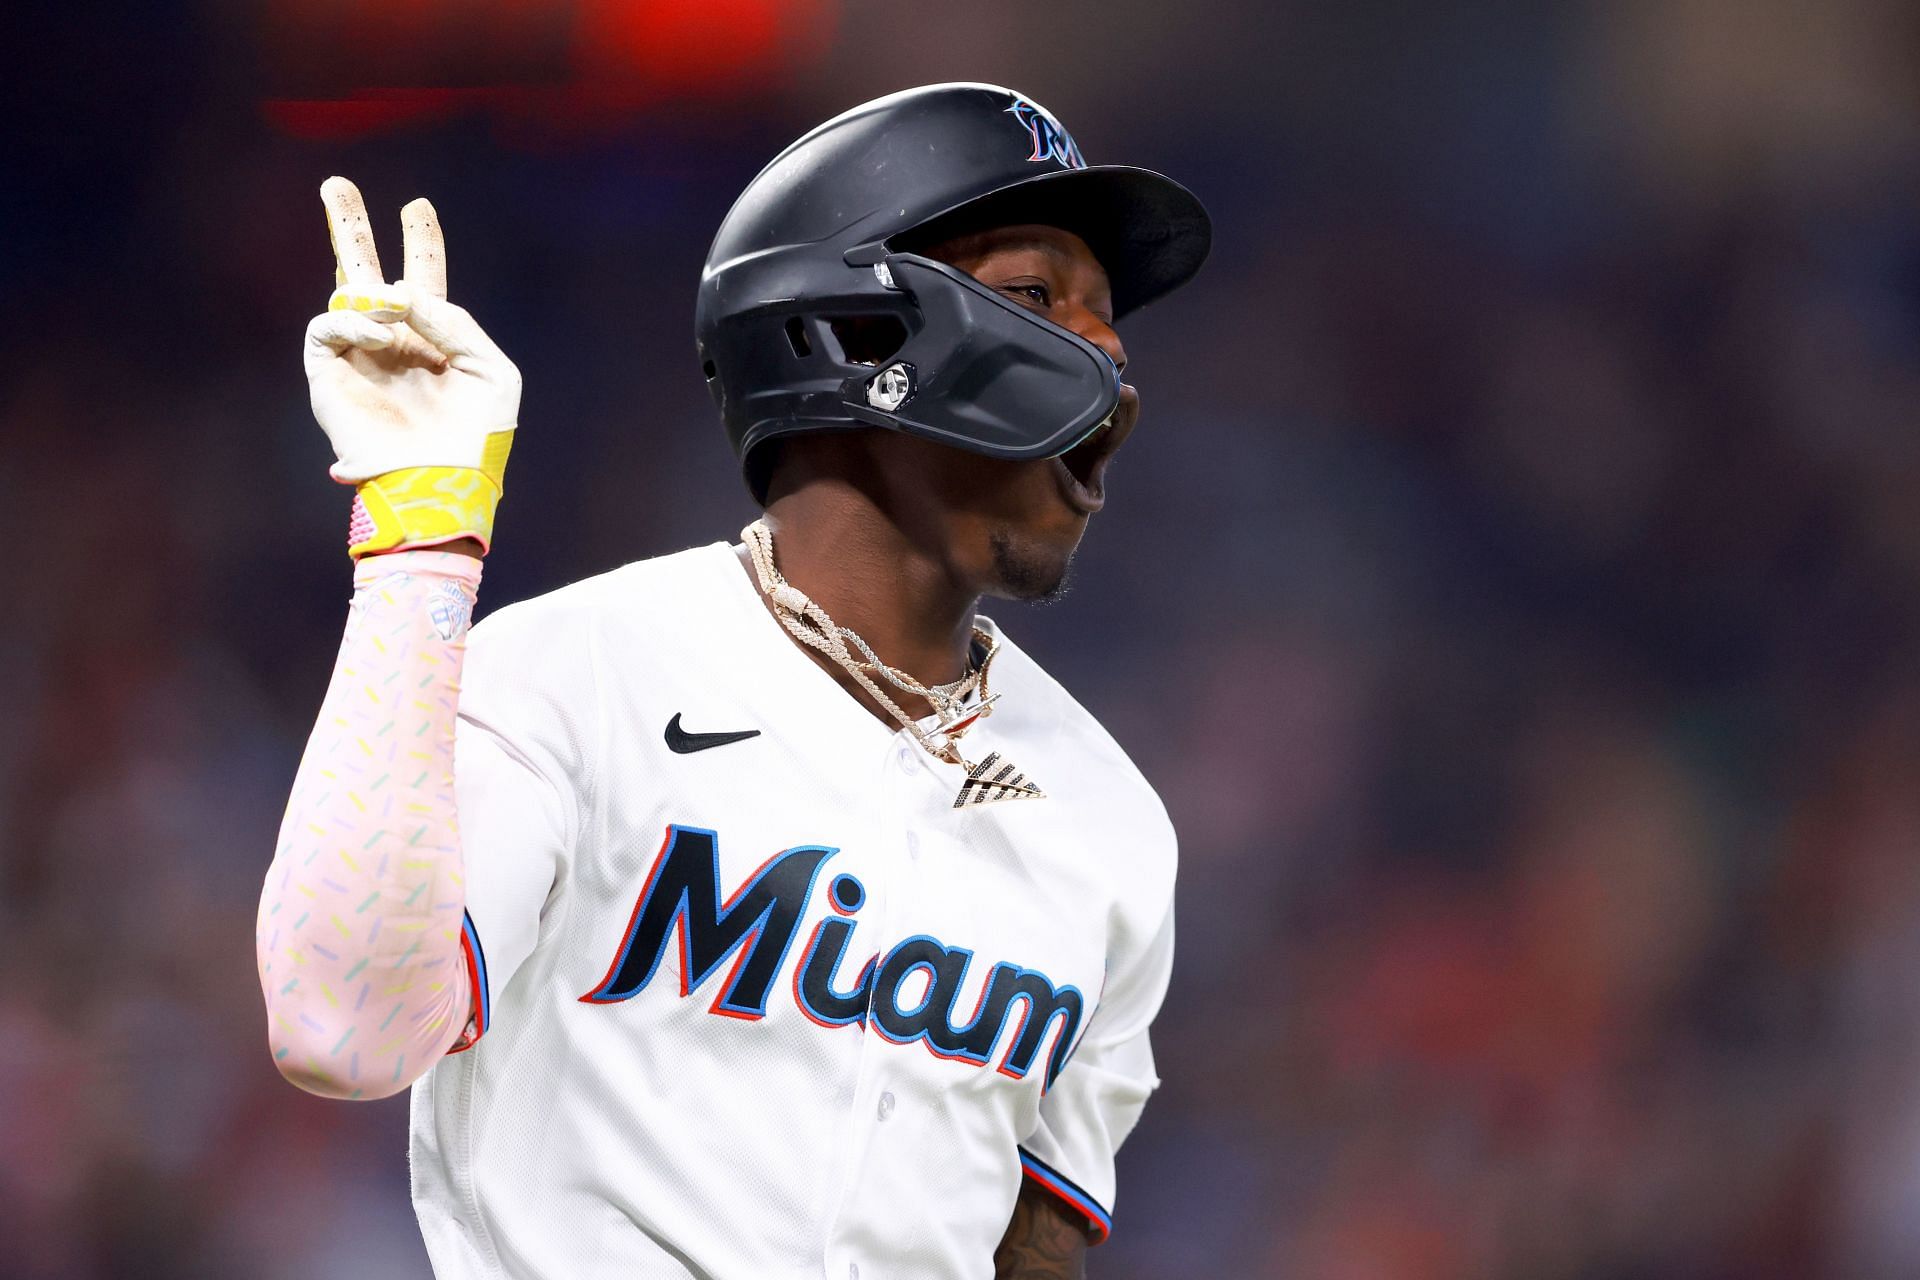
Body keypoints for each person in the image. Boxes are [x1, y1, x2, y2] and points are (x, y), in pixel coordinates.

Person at [256, 82, 1211, 1279]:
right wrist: (418, 547)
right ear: (853, 334)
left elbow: (1038, 1247)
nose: (1108, 356)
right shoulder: (575, 675)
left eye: (1108, 318)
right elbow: (342, 1026)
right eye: (1035, 296)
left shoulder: (1112, 823)